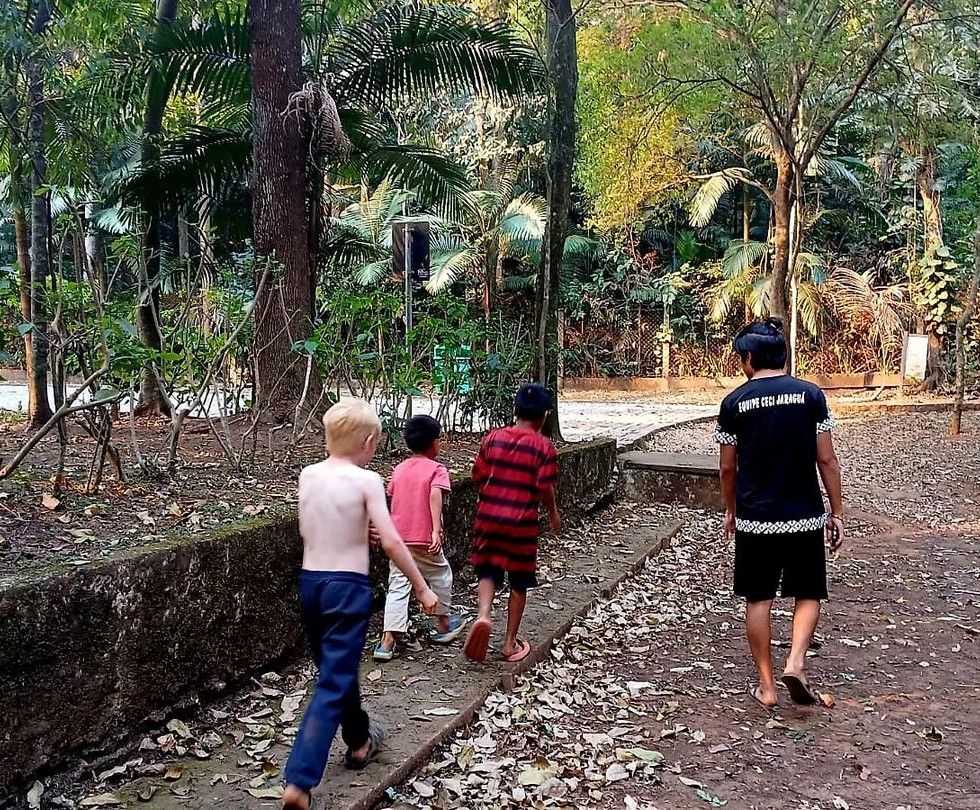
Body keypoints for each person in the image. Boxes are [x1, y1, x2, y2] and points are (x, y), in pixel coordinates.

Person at [281, 400, 439, 810]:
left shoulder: (309, 475)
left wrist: (354, 530)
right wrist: (422, 587)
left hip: (311, 585)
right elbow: (392, 541)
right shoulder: (367, 481)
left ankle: (359, 741)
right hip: (346, 589)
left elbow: (308, 528)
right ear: (368, 442)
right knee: (333, 681)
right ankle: (299, 780)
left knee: (337, 670)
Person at [715, 318, 845, 709]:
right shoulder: (810, 395)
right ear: (783, 356)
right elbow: (827, 459)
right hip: (804, 515)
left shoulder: (734, 403)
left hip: (756, 519)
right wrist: (836, 511)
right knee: (808, 591)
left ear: (748, 358)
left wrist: (731, 509)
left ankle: (768, 686)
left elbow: (727, 467)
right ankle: (796, 662)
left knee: (758, 598)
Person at [462, 383, 561, 664]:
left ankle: (483, 615)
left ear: (515, 409)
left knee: (487, 571)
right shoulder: (543, 447)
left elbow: (478, 475)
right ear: (544, 415)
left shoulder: (492, 439)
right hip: (521, 525)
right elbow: (545, 487)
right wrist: (553, 513)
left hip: (488, 520)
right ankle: (508, 643)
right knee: (519, 581)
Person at [373, 415, 467, 661]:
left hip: (398, 539)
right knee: (441, 574)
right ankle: (443, 624)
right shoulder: (437, 469)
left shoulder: (400, 469)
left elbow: (392, 496)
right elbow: (435, 495)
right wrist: (436, 529)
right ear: (434, 443)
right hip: (424, 537)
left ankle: (386, 642)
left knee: (398, 584)